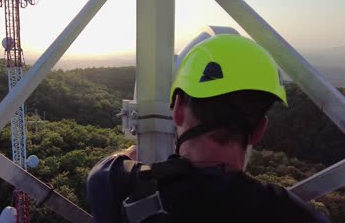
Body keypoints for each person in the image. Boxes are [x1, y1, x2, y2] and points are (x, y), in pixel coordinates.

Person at [86, 35, 331, 223]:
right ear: (258, 131)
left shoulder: (118, 186)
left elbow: (102, 170)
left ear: (178, 109)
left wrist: (128, 155)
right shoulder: (287, 212)